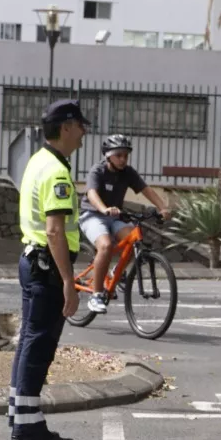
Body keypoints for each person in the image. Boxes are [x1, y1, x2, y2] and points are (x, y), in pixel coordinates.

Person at [8, 99, 89, 440]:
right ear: (66, 127)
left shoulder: (38, 161)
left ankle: (20, 416)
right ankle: (29, 429)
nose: (84, 133)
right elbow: (55, 231)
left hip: (33, 260)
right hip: (48, 267)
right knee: (38, 347)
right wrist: (69, 282)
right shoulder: (57, 172)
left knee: (29, 342)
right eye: (80, 126)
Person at [80, 134, 173, 313]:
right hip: (92, 215)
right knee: (105, 246)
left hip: (116, 217)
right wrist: (104, 209)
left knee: (134, 240)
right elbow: (92, 194)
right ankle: (96, 295)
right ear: (108, 156)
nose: (123, 159)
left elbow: (146, 190)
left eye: (126, 155)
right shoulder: (98, 170)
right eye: (119, 155)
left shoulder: (128, 172)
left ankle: (116, 272)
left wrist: (162, 208)